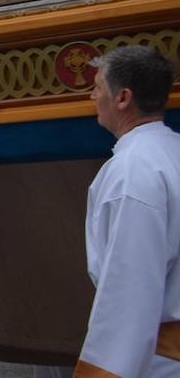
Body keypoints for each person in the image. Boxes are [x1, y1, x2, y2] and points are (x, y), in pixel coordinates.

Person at [76, 46, 180, 376]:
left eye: (97, 86)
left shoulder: (132, 172)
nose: (92, 96)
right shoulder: (172, 152)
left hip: (159, 361)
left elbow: (129, 290)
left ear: (122, 98)